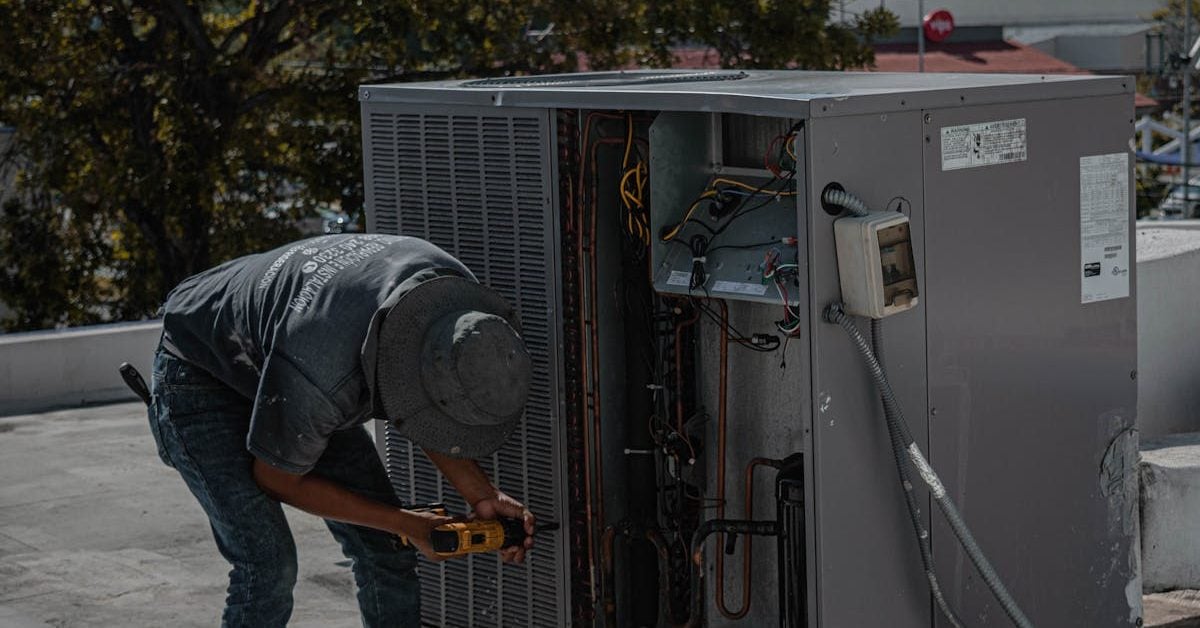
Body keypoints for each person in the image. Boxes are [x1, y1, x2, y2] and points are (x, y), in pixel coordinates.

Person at [146, 233, 535, 627]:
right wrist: (405, 523)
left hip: (289, 352)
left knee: (386, 550)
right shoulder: (324, 376)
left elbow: (428, 401)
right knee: (267, 565)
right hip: (199, 371)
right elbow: (278, 480)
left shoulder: (456, 299)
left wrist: (481, 494)